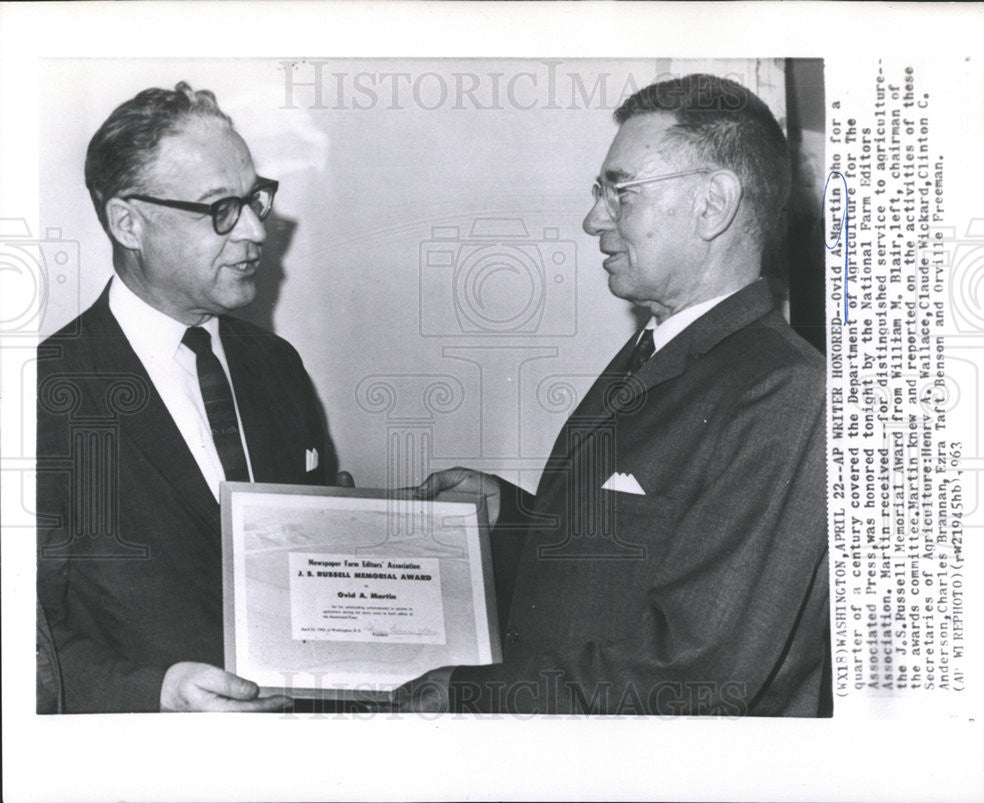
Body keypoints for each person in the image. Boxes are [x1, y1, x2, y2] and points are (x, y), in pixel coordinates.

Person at [411, 74, 831, 716]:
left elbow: (694, 669)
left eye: (620, 192)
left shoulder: (785, 391)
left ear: (713, 205)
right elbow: (638, 556)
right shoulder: (659, 350)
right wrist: (512, 517)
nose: (593, 219)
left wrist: (473, 695)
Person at [36, 82, 344, 713]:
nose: (257, 229)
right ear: (129, 222)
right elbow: (25, 636)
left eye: (256, 197)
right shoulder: (39, 394)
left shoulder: (277, 366)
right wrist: (157, 693)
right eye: (220, 208)